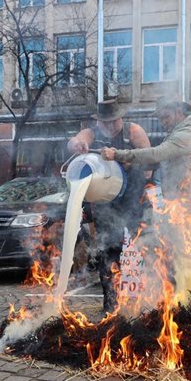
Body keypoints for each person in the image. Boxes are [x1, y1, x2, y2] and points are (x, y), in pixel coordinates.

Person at [102, 96, 191, 298]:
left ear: (179, 113)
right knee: (175, 256)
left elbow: (156, 154)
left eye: (165, 117)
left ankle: (188, 302)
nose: (163, 122)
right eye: (160, 118)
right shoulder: (180, 133)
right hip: (178, 205)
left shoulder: (185, 135)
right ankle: (181, 301)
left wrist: (118, 154)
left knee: (185, 257)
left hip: (186, 207)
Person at [67, 99, 151, 312]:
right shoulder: (92, 133)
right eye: (105, 122)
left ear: (120, 117)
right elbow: (75, 140)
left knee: (133, 247)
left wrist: (129, 161)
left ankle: (138, 299)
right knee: (106, 249)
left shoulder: (133, 131)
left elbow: (149, 160)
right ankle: (110, 302)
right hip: (105, 201)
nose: (110, 126)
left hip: (132, 198)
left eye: (113, 121)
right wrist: (77, 144)